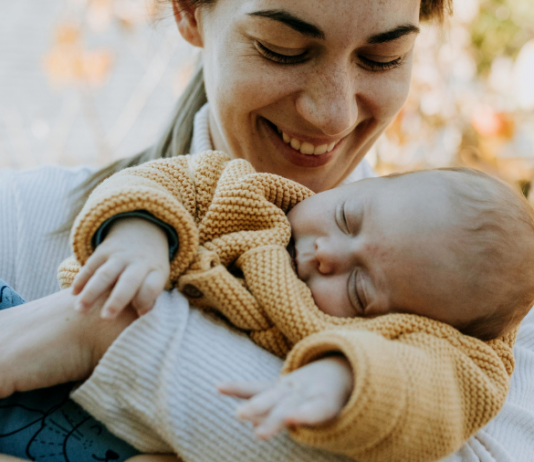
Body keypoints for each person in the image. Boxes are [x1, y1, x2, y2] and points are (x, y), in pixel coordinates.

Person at [1, 0, 534, 461]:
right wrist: (136, 234)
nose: (332, 114)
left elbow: (432, 399)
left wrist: (110, 335)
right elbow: (165, 190)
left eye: (382, 58)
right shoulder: (21, 220)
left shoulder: (483, 303)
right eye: (281, 47)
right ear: (189, 12)